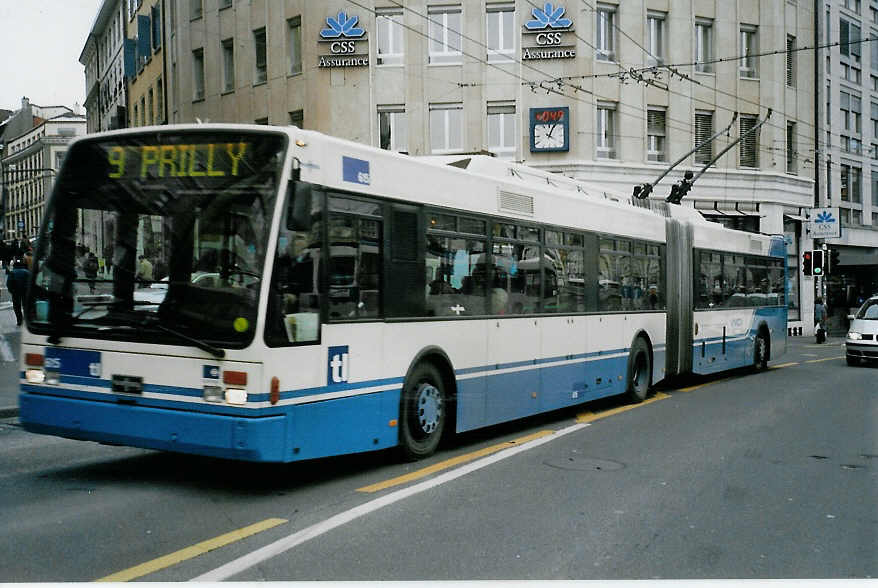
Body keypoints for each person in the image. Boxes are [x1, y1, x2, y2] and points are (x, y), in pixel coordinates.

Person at [6, 258, 31, 326]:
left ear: (14, 266)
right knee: (26, 305)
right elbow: (30, 282)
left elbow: (8, 283)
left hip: (15, 292)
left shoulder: (12, 272)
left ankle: (19, 320)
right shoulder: (27, 272)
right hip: (25, 291)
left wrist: (11, 291)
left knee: (17, 307)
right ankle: (27, 320)